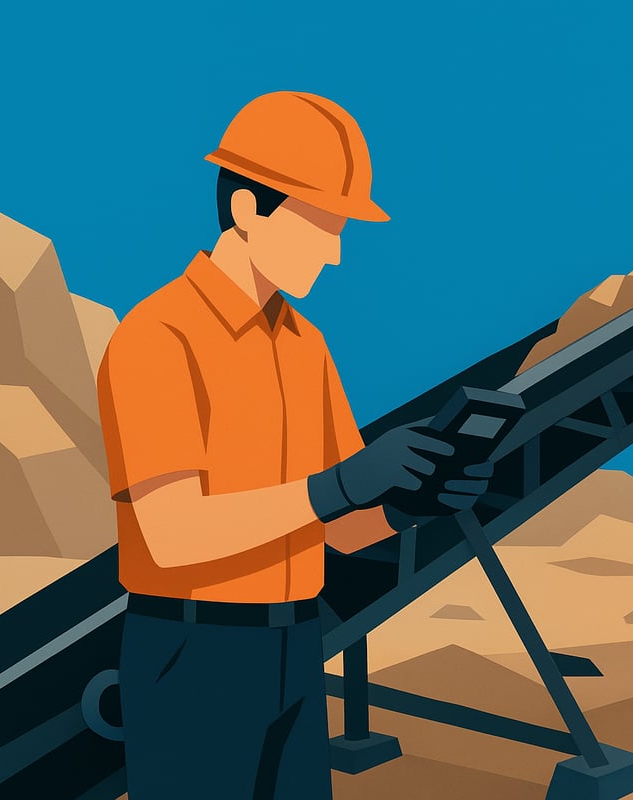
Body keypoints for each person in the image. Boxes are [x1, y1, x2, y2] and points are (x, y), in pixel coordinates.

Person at [95, 91, 488, 800]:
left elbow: (337, 533)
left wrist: (407, 506)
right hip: (191, 654)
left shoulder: (306, 347)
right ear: (247, 207)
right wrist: (339, 484)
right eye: (320, 225)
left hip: (296, 650)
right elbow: (174, 533)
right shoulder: (158, 338)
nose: (335, 254)